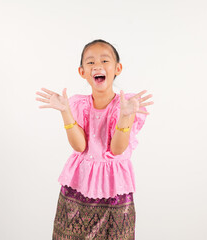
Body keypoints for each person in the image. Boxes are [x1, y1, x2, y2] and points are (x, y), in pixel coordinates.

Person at [35, 39, 154, 239]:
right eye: (90, 62)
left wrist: (126, 116)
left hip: (114, 188)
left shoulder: (125, 105)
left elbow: (117, 149)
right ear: (82, 72)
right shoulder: (78, 104)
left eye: (104, 60)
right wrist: (65, 111)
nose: (97, 65)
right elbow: (80, 145)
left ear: (118, 68)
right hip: (78, 184)